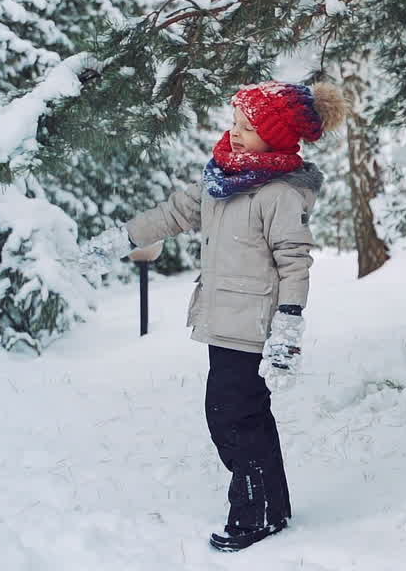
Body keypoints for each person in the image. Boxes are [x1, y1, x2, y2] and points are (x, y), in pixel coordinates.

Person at [76, 81, 347, 550]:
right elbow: (174, 212)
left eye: (248, 126)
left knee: (230, 419)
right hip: (223, 320)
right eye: (236, 121)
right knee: (248, 416)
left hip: (253, 325)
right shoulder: (224, 177)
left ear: (277, 137)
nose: (236, 132)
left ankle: (253, 517)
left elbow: (294, 262)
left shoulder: (279, 194)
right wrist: (120, 240)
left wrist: (286, 328)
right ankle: (272, 508)